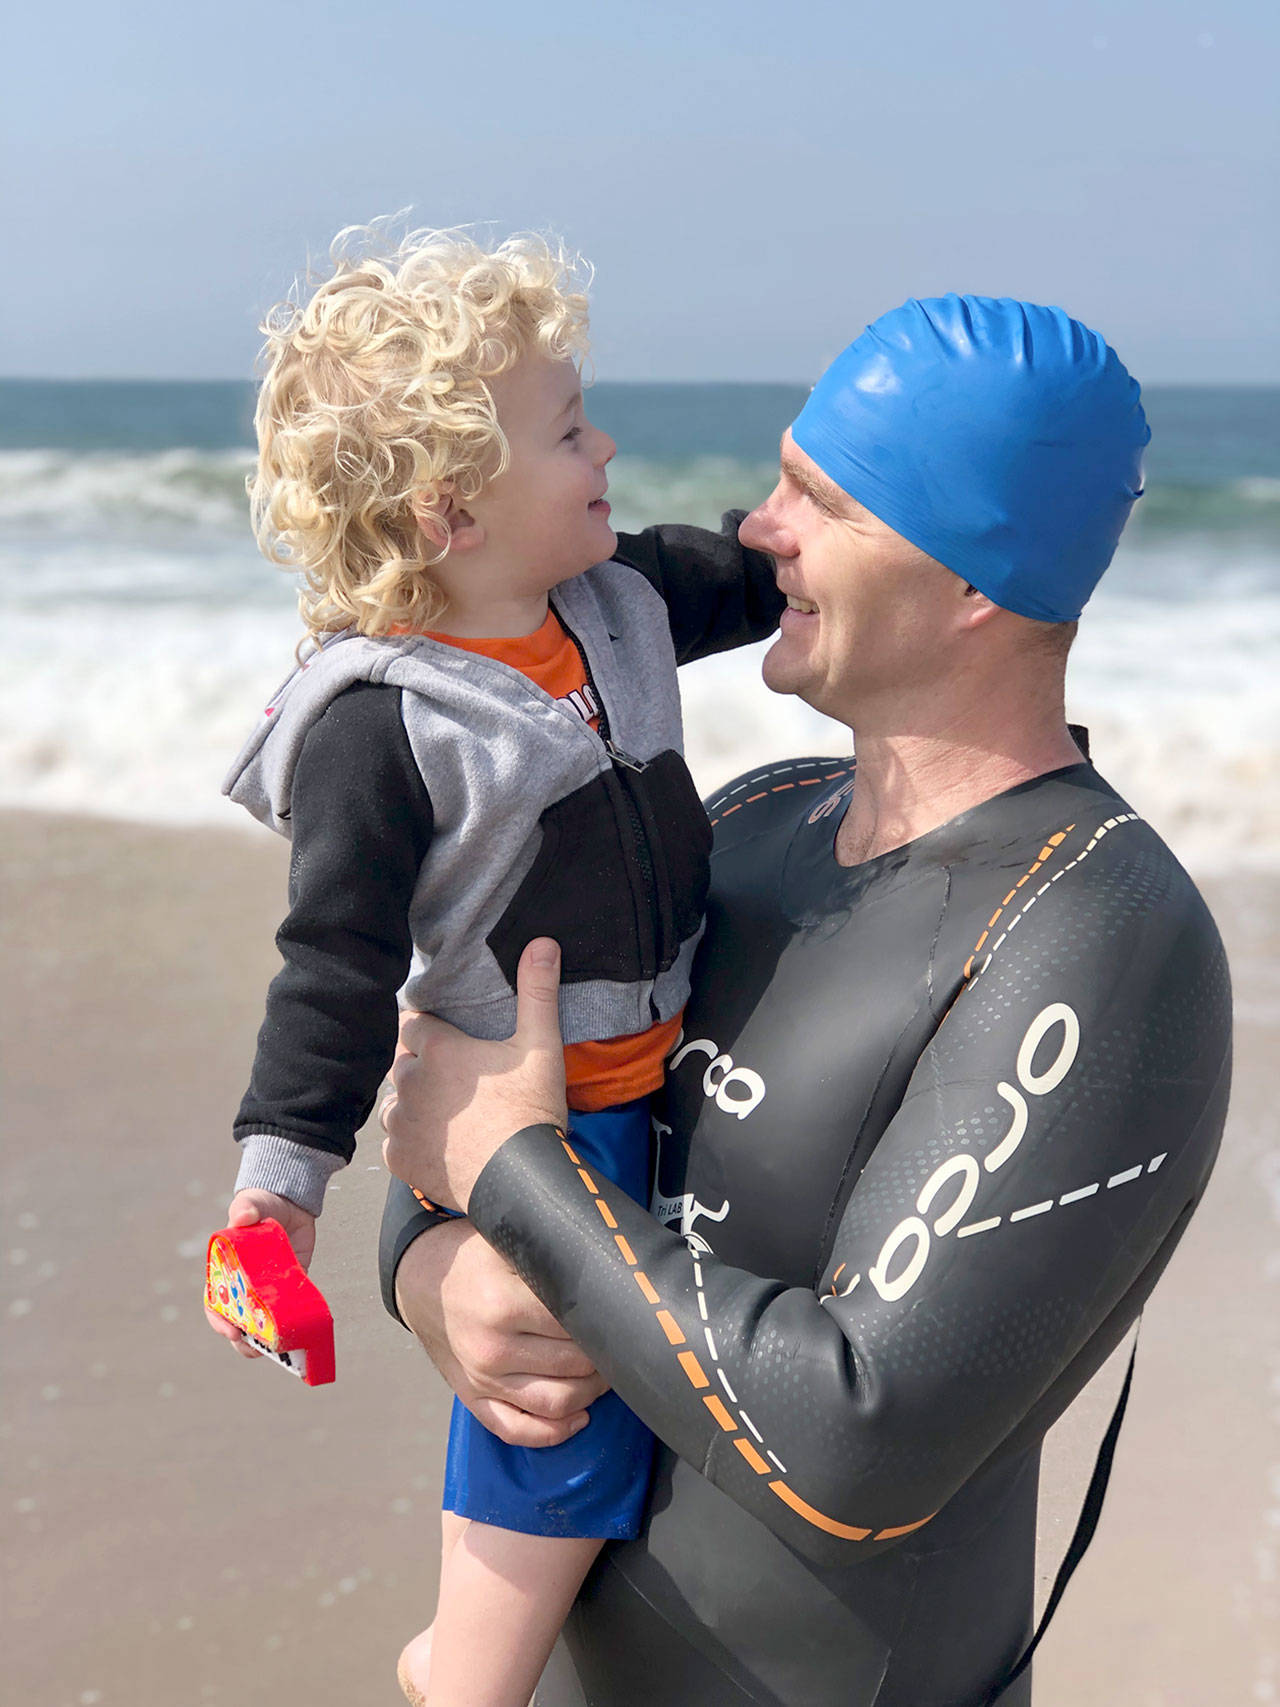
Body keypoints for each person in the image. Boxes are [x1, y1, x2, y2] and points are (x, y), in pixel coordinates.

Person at [378, 296, 1233, 1707]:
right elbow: (478, 1111)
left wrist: (518, 1190)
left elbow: (856, 1443)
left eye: (817, 500)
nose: (756, 527)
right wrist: (429, 1274)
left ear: (973, 579)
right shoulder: (753, 818)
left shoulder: (1097, 933)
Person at [203, 225, 781, 1707]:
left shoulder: (621, 600)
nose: (607, 447)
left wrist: (840, 529)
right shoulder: (382, 726)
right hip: (535, 1115)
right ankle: (468, 1676)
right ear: (456, 509)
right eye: (571, 431)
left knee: (636, 1412)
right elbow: (329, 972)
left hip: (662, 1067)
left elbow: (757, 572)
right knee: (553, 1400)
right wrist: (274, 1206)